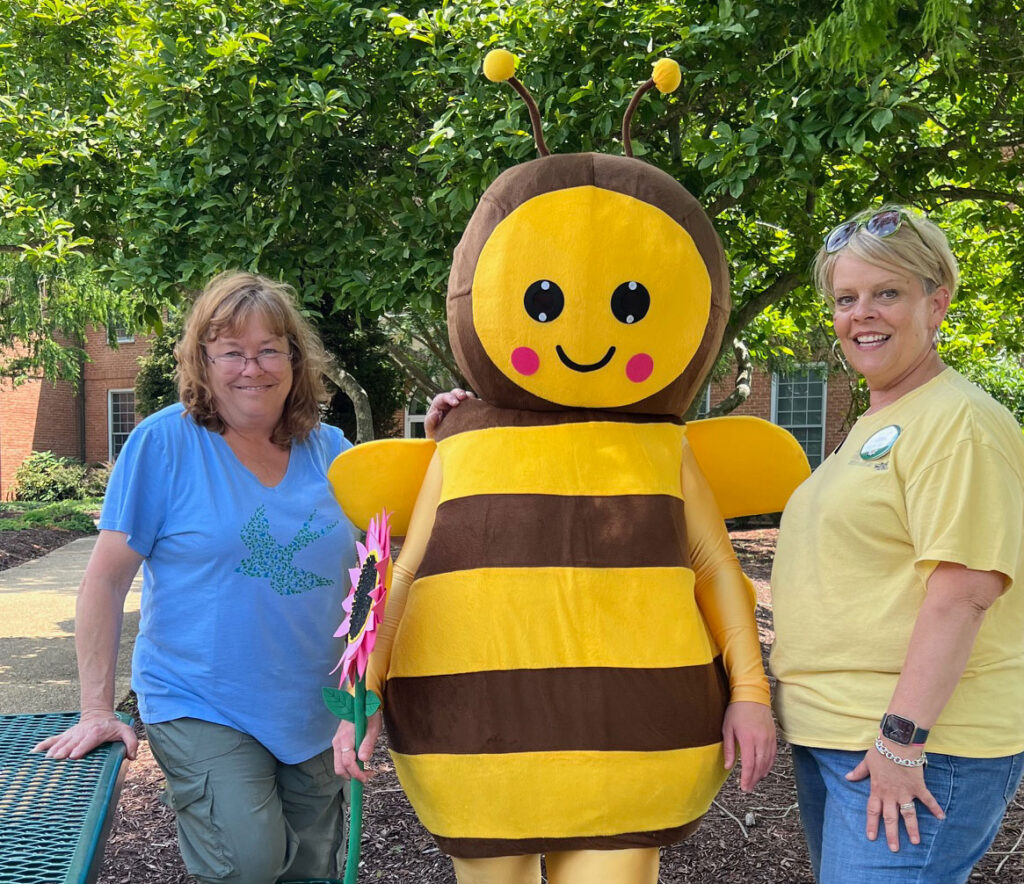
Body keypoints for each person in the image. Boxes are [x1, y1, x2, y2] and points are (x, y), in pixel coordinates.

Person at [33, 271, 359, 884]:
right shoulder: (164, 443)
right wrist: (97, 708)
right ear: (202, 362)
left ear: (295, 359)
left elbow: (395, 543)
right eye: (231, 352)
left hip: (314, 705)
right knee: (248, 861)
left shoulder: (332, 450)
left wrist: (453, 434)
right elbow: (104, 581)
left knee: (314, 869)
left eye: (269, 350)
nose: (252, 368)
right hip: (203, 699)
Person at [770, 206, 1024, 883]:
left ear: (936, 302)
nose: (862, 315)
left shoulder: (958, 422)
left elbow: (964, 593)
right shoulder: (880, 420)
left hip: (916, 746)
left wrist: (902, 741)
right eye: (846, 299)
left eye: (887, 293)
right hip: (841, 738)